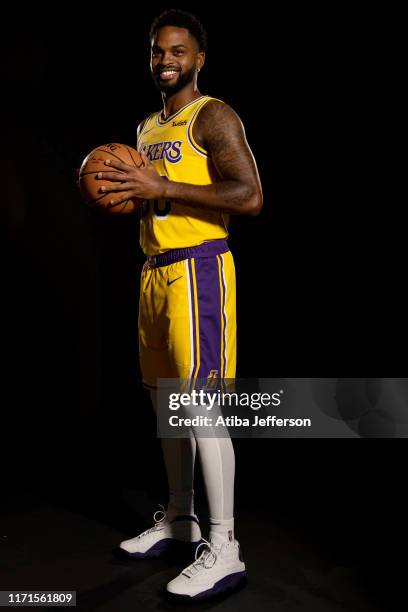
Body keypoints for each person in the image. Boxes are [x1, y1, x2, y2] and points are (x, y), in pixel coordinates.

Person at [96, 9, 263, 600]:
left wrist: (161, 187)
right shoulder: (145, 129)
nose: (165, 60)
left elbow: (249, 195)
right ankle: (178, 519)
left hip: (200, 271)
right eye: (157, 51)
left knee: (200, 408)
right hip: (155, 274)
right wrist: (122, 193)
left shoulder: (211, 116)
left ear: (198, 58)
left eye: (177, 51)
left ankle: (224, 547)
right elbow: (148, 199)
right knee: (166, 406)